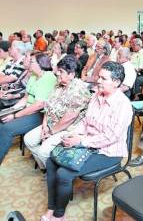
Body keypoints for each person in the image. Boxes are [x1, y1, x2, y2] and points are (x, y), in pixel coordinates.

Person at [41, 61, 133, 221]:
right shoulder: (97, 95)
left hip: (108, 152)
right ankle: (51, 207)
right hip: (87, 143)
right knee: (51, 161)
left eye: (104, 79)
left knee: (64, 174)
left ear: (116, 83)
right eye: (99, 77)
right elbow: (85, 122)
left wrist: (81, 141)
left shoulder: (123, 105)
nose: (98, 81)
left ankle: (58, 215)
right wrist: (73, 135)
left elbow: (111, 137)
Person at [24, 55, 91, 169]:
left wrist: (50, 132)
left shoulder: (79, 91)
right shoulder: (58, 85)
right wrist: (45, 125)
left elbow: (68, 119)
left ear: (72, 74)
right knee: (28, 140)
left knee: (43, 151)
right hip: (50, 125)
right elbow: (48, 106)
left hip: (67, 128)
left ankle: (53, 172)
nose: (57, 73)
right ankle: (46, 168)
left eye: (61, 71)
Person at [0, 53, 57, 165]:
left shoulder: (48, 78)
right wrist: (11, 109)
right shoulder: (33, 76)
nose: (28, 63)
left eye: (31, 61)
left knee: (7, 129)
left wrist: (15, 115)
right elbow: (26, 97)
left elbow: (39, 105)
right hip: (27, 109)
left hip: (39, 114)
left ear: (40, 64)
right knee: (2, 118)